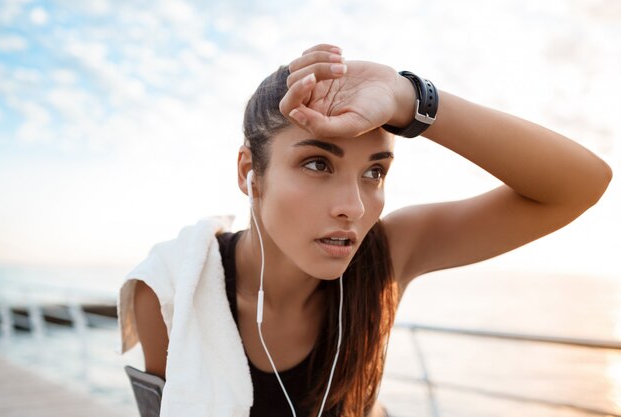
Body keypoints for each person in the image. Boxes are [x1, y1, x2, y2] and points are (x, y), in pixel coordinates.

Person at [121, 43, 612, 417]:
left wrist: (411, 97)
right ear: (250, 171)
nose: (354, 207)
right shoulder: (170, 295)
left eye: (375, 172)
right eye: (317, 163)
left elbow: (581, 185)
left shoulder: (387, 258)